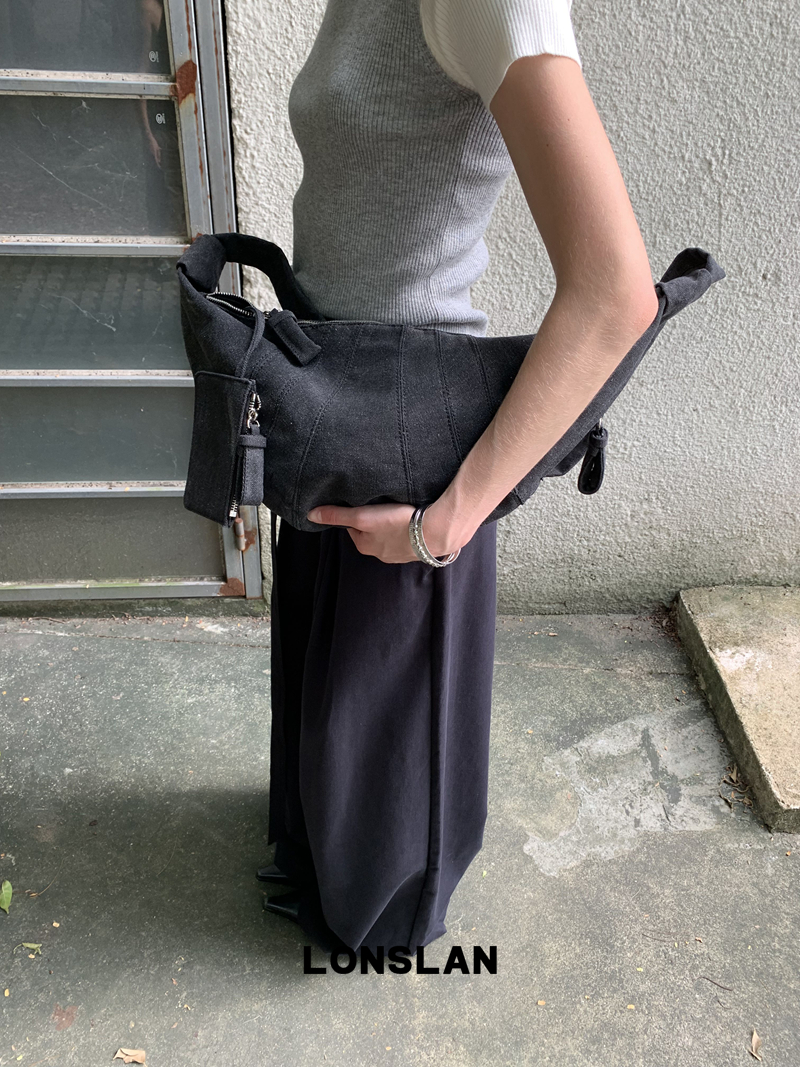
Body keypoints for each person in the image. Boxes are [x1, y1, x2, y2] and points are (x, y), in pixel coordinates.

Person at [258, 0, 659, 956]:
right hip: (330, 402)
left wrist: (445, 522)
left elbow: (616, 293)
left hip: (407, 453)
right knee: (330, 746)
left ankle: (382, 916)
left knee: (389, 801)